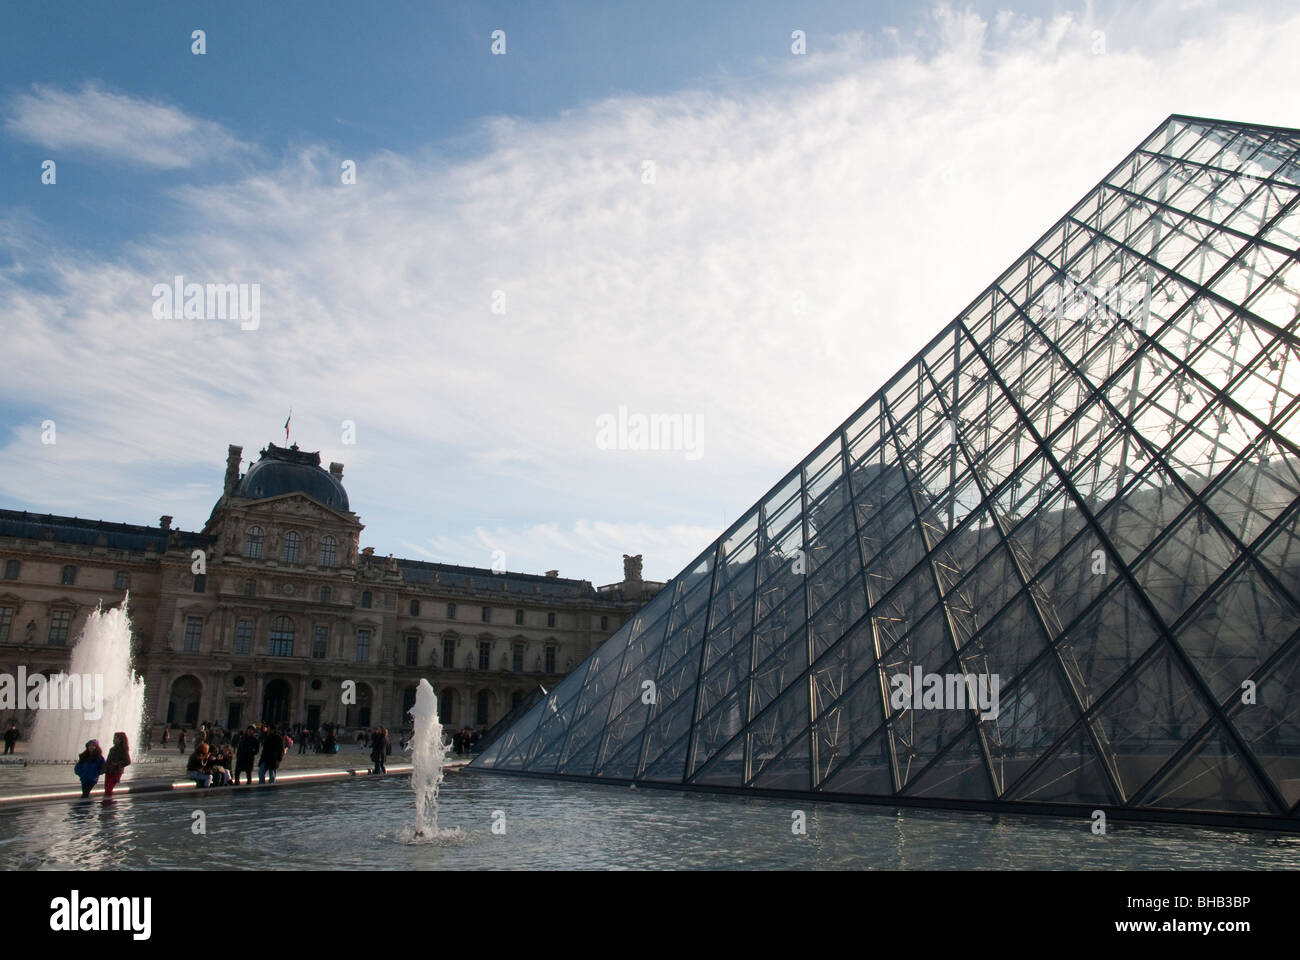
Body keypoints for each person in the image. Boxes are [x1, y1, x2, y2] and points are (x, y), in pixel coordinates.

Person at [103, 732, 131, 800]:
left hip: (116, 772)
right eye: (114, 738)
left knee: (109, 788)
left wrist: (117, 764)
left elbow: (127, 761)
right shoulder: (112, 749)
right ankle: (108, 802)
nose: (113, 740)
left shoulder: (123, 750)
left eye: (116, 738)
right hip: (109, 771)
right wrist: (104, 768)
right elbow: (108, 760)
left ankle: (109, 802)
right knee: (107, 787)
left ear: (121, 740)